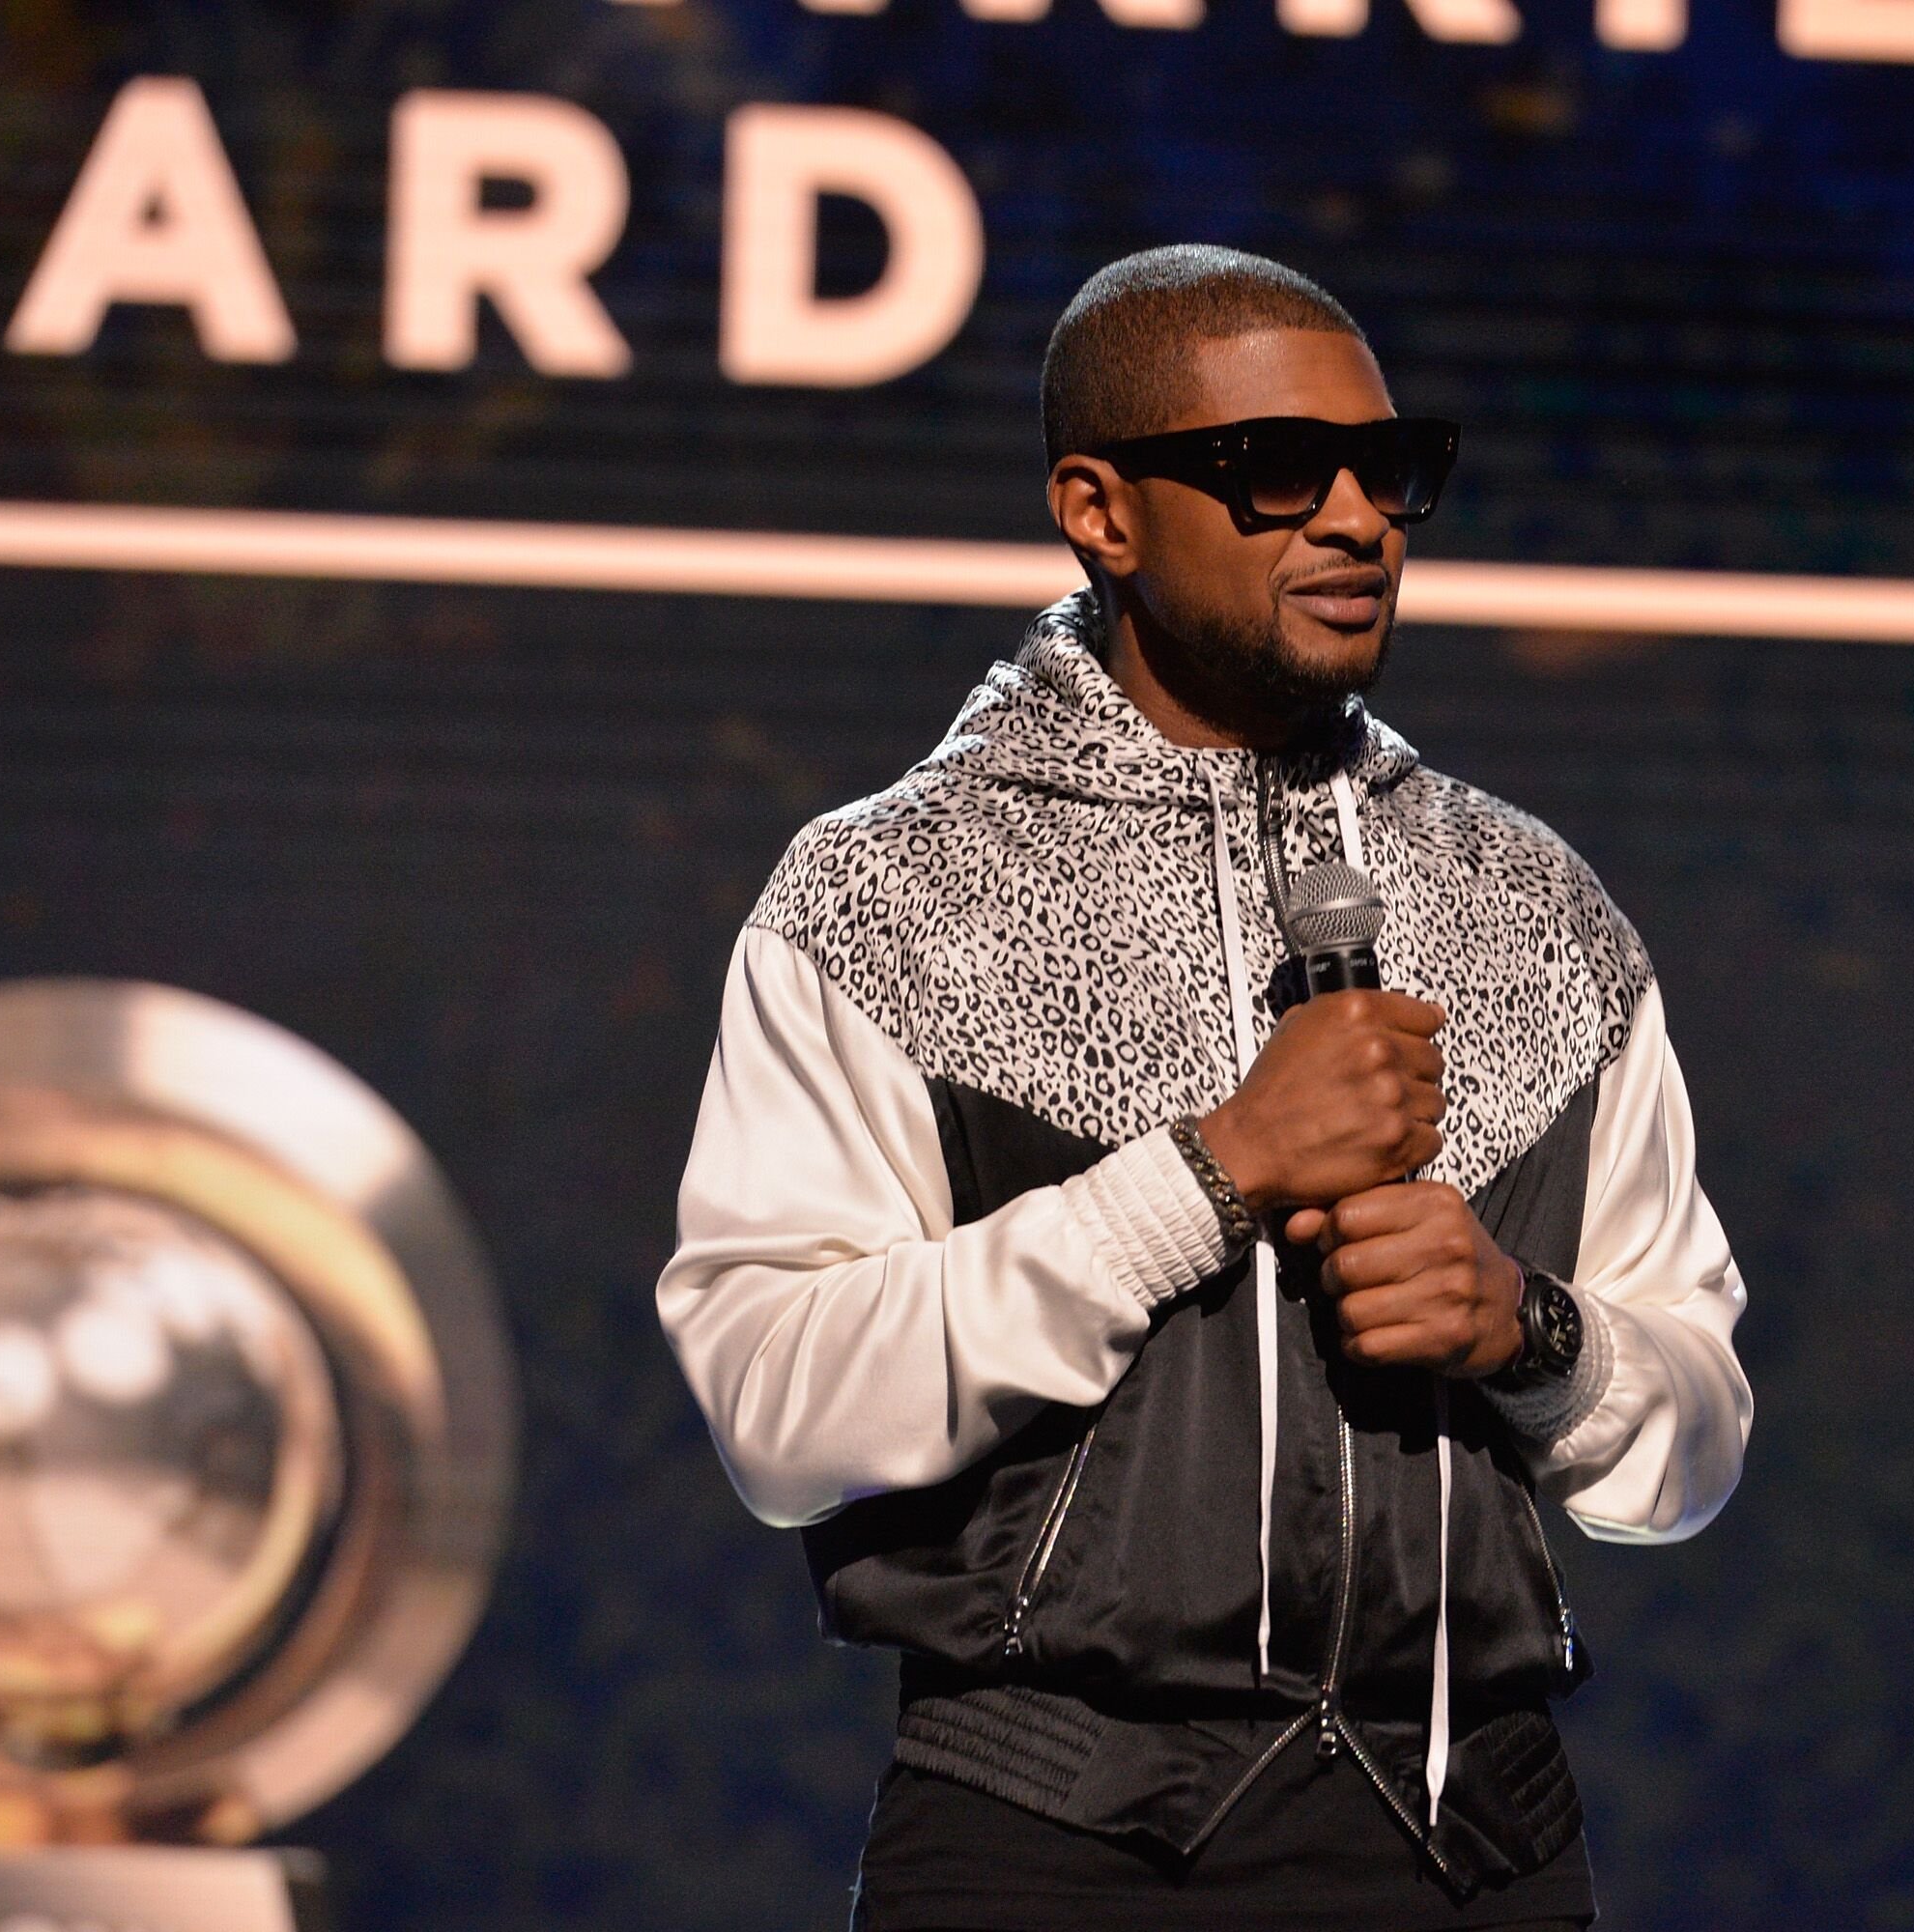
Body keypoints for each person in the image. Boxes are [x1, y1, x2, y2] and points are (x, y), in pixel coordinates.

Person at [657, 244, 1752, 1931]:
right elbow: (779, 1411)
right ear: (1099, 510)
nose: (1354, 519)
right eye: (1271, 473)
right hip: (1055, 1837)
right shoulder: (896, 894)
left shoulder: (1534, 908)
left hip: (1474, 1845)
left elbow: (1692, 1450)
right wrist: (1207, 1172)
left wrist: (1530, 1335)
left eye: (1387, 471)